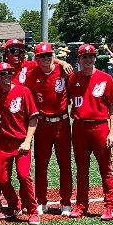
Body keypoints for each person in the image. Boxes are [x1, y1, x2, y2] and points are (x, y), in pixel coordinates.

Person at [68, 44, 113, 221]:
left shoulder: (105, 78)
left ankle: (110, 206)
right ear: (79, 59)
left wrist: (112, 132)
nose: (88, 59)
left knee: (105, 168)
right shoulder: (73, 79)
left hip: (99, 126)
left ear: (95, 58)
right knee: (81, 169)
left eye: (91, 56)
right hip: (79, 127)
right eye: (84, 57)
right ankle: (81, 205)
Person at [25, 42, 73, 216]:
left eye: (49, 55)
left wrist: (62, 62)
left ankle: (66, 202)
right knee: (41, 164)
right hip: (42, 123)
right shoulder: (32, 75)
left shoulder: (64, 71)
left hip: (62, 122)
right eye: (42, 56)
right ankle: (41, 201)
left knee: (65, 164)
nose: (46, 59)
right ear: (36, 59)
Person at [0, 62, 40, 225]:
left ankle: (33, 211)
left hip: (21, 142)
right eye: (2, 74)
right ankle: (14, 204)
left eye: (8, 73)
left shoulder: (23, 91)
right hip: (3, 143)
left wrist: (28, 141)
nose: (6, 76)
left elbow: (33, 117)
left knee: (23, 175)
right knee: (2, 179)